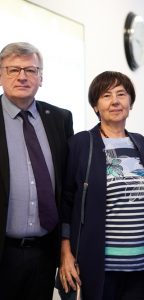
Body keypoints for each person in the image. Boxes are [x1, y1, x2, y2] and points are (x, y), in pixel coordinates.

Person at [59, 71, 144, 300]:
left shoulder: (141, 143)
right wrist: (65, 253)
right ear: (96, 106)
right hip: (99, 268)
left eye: (121, 94)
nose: (115, 101)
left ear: (130, 102)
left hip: (140, 268)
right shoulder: (81, 143)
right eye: (106, 96)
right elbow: (66, 202)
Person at [0, 42, 74, 300]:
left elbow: (68, 186)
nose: (22, 76)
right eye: (13, 70)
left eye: (31, 70)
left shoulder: (60, 119)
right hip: (3, 252)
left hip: (45, 253)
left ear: (41, 78)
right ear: (0, 75)